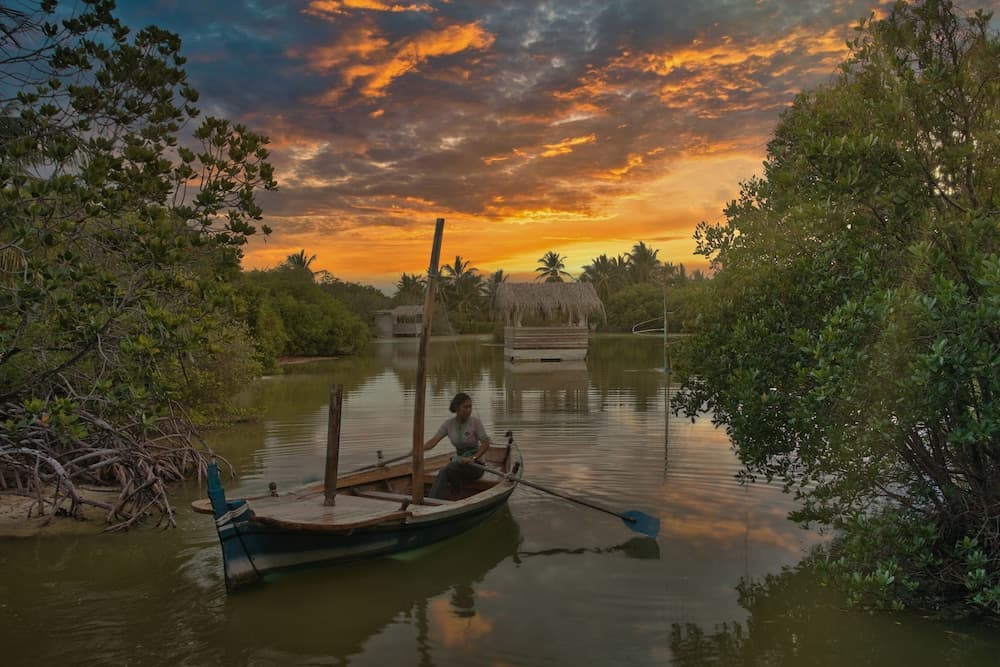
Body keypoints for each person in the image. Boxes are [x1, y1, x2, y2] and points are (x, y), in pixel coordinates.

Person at [419, 392, 492, 499]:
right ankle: (433, 500)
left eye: (470, 407)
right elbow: (433, 441)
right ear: (457, 408)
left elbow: (486, 443)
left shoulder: (475, 422)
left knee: (450, 468)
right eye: (465, 407)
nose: (469, 410)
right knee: (446, 470)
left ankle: (454, 494)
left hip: (476, 465)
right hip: (459, 463)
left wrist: (473, 458)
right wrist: (417, 449)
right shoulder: (449, 424)